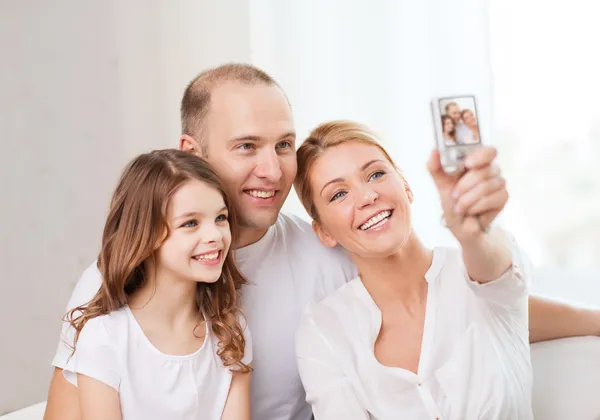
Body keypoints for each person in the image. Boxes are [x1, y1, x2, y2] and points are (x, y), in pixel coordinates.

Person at [44, 63, 600, 420]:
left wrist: (589, 317)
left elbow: (468, 303)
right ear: (192, 151)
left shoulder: (328, 256)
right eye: (246, 147)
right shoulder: (121, 277)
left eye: (284, 144)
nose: (271, 169)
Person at [294, 120, 533, 419]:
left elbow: (497, 270)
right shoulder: (325, 328)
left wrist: (473, 232)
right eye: (338, 194)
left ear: (405, 186)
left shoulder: (478, 274)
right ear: (324, 232)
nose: (367, 197)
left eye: (376, 174)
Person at [61, 149, 252, 420]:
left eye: (220, 218)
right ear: (146, 235)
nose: (214, 235)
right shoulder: (106, 338)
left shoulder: (229, 332)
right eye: (190, 223)